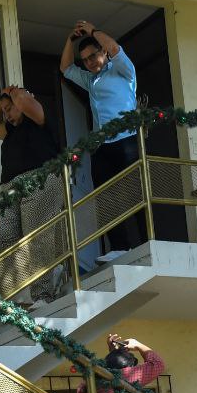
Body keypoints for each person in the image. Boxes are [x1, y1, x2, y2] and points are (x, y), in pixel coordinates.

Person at [60, 20, 142, 257]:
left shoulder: (123, 70)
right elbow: (66, 68)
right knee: (106, 197)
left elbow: (115, 48)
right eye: (85, 60)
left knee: (135, 193)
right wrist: (70, 40)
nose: (90, 62)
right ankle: (119, 248)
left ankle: (148, 241)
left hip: (126, 140)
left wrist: (93, 31)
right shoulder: (90, 80)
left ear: (103, 52)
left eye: (93, 56)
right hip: (101, 147)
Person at [0, 85, 67, 305]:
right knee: (2, 233)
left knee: (37, 238)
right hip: (10, 188)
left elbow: (23, 101)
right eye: (4, 112)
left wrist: (13, 93)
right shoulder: (9, 131)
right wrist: (3, 102)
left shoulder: (39, 117)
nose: (7, 115)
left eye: (10, 109)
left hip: (40, 180)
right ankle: (51, 271)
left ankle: (43, 295)